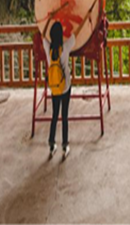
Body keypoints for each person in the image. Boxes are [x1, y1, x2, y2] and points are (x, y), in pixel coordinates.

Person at [43, 18, 76, 160]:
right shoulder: (65, 47)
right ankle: (64, 146)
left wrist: (49, 19)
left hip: (54, 87)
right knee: (65, 116)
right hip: (65, 86)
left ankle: (51, 144)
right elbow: (76, 34)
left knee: (55, 115)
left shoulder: (48, 48)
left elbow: (42, 34)